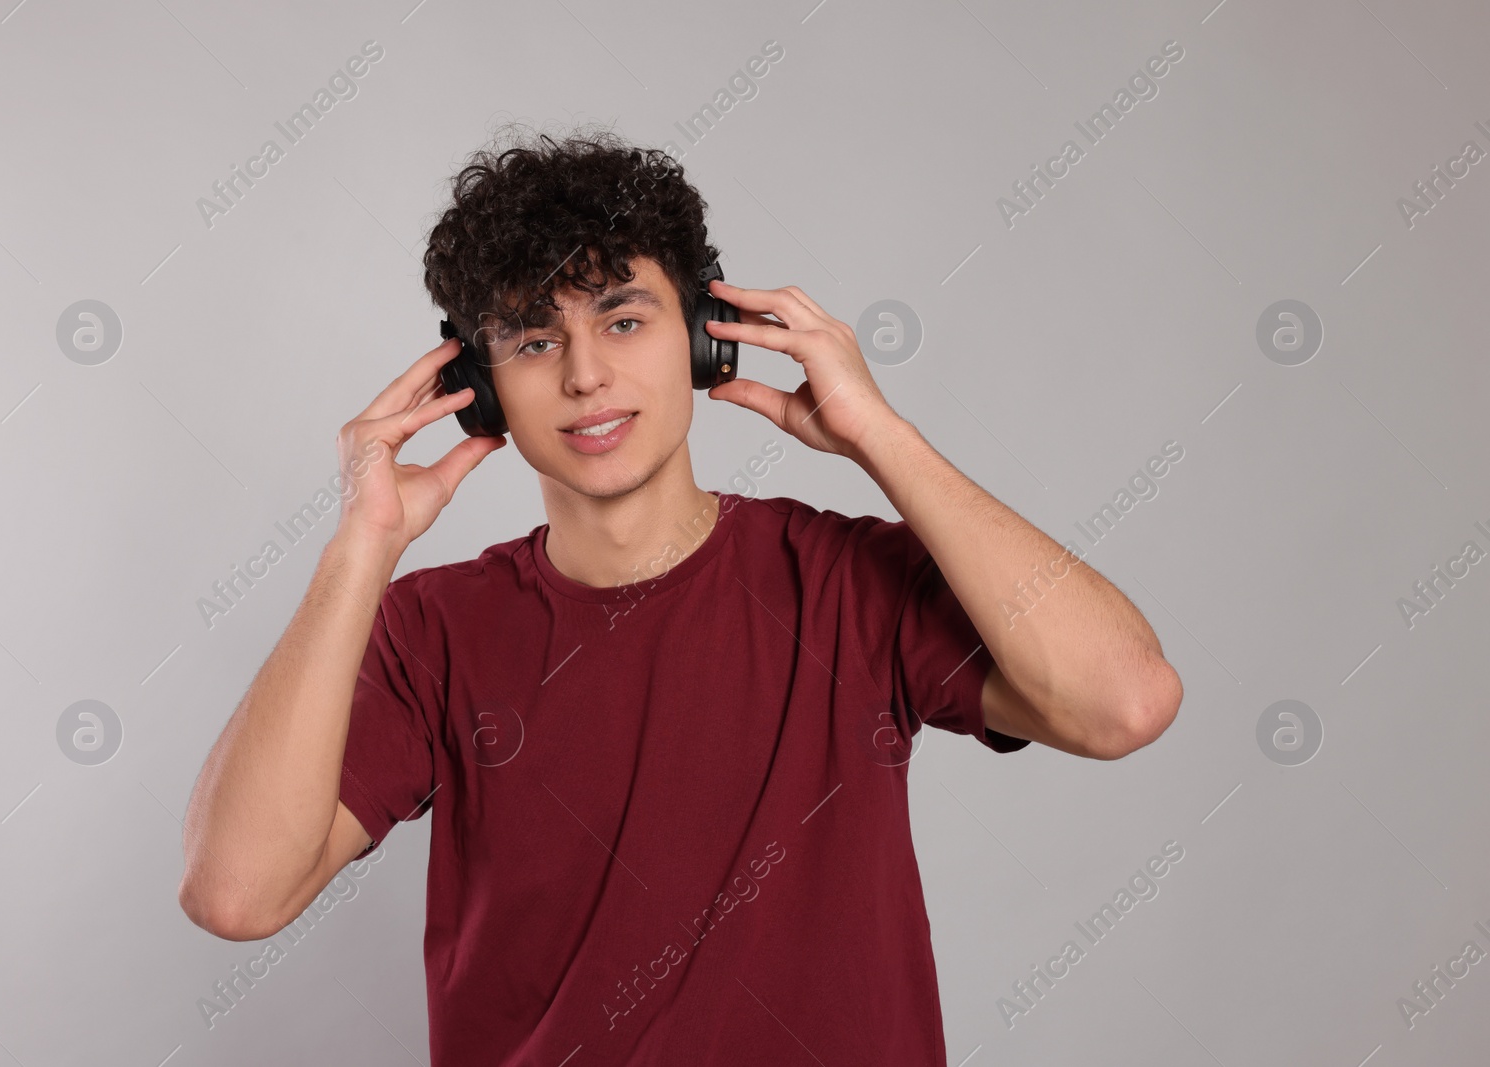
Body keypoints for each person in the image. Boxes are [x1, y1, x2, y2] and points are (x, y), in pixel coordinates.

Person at [178, 124, 1183, 1065]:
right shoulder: (429, 629)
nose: (584, 374)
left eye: (623, 319)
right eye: (532, 341)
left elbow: (1122, 701)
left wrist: (881, 435)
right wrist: (360, 547)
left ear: (707, 335)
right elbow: (236, 892)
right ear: (478, 385)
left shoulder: (841, 579)